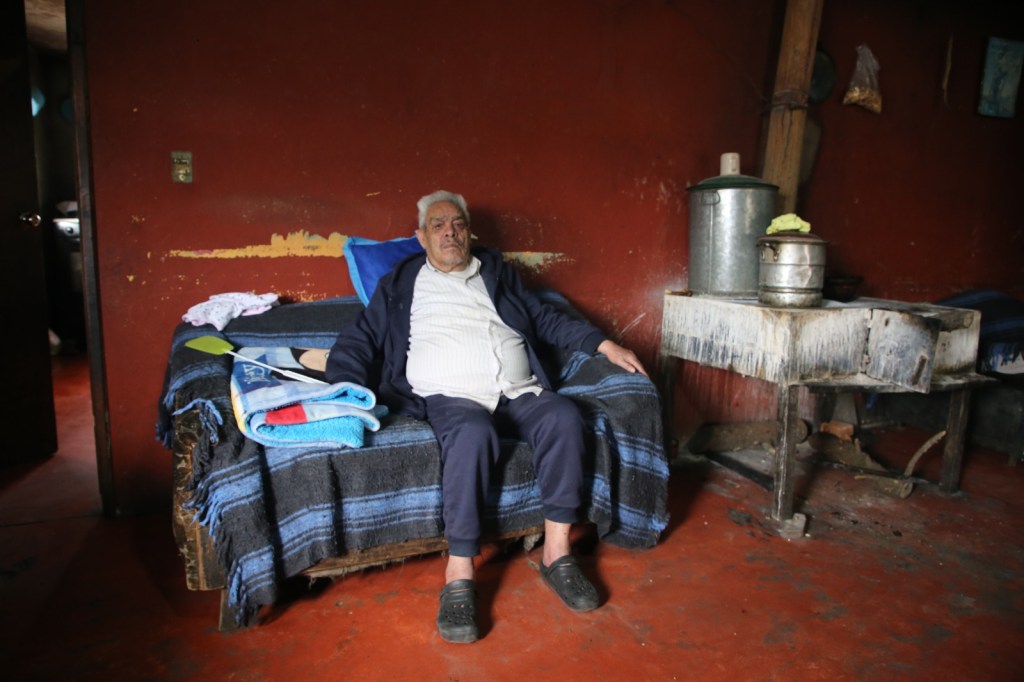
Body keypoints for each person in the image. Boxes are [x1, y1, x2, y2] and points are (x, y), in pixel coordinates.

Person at [325, 190, 647, 643]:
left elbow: (545, 318)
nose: (449, 233)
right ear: (421, 237)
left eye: (456, 224)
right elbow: (360, 339)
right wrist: (343, 389)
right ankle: (459, 575)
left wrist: (603, 344)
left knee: (563, 417)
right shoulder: (400, 284)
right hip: (450, 396)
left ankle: (557, 554)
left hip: (518, 389)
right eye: (438, 226)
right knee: (473, 434)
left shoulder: (495, 273)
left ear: (469, 231)